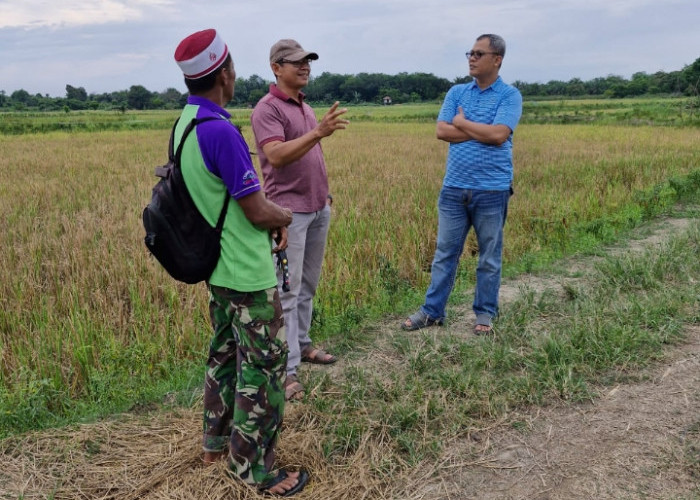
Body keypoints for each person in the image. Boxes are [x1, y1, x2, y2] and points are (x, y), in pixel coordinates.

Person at [173, 29, 308, 496]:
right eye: (233, 70)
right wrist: (285, 214)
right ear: (225, 74)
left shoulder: (185, 124)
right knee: (265, 368)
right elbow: (256, 209)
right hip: (247, 273)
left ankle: (215, 444)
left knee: (225, 355)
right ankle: (255, 469)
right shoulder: (222, 132)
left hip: (216, 271)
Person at [401, 34, 523, 335]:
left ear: (497, 60)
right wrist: (482, 129)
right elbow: (442, 132)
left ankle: (484, 315)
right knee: (445, 253)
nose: (472, 58)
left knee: (489, 257)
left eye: (479, 54)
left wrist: (464, 124)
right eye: (470, 52)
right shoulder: (457, 92)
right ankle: (432, 312)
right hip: (454, 188)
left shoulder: (509, 96)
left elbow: (498, 136)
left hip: (493, 189)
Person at [251, 39, 349, 401]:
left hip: (317, 207)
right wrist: (319, 132)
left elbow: (309, 155)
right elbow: (275, 156)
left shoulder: (304, 107)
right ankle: (287, 369)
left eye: (307, 60)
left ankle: (304, 344)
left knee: (307, 285)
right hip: (288, 214)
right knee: (287, 293)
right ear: (276, 67)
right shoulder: (268, 109)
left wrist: (324, 194)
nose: (304, 66)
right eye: (296, 62)